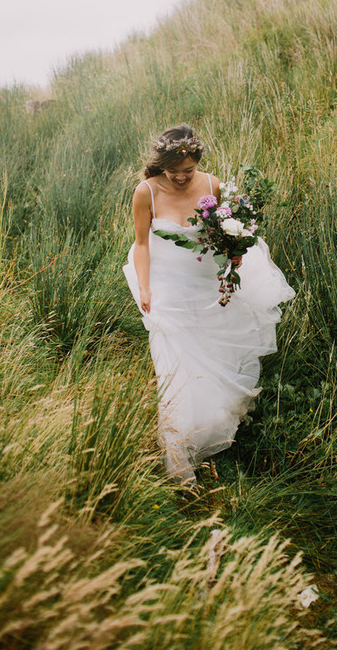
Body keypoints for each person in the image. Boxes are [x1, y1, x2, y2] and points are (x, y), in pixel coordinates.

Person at [123, 124, 295, 486]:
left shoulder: (214, 185)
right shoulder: (146, 193)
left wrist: (235, 255)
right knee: (174, 364)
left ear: (198, 162)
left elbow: (226, 234)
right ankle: (178, 451)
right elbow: (141, 244)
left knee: (215, 355)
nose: (183, 178)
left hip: (207, 287)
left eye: (189, 171)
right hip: (167, 288)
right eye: (175, 172)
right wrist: (145, 287)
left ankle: (212, 421)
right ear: (161, 165)